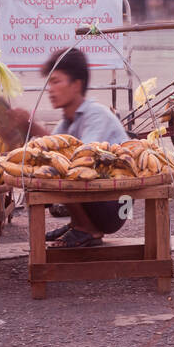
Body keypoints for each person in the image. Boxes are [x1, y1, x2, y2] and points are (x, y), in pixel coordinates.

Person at [40, 48, 130, 247]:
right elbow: (47, 150)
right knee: (48, 165)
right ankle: (79, 223)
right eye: (49, 83)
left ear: (76, 85)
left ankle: (86, 228)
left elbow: (83, 158)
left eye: (56, 81)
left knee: (66, 168)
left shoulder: (96, 115)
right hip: (101, 199)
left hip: (119, 205)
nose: (50, 89)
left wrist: (35, 130)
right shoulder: (67, 122)